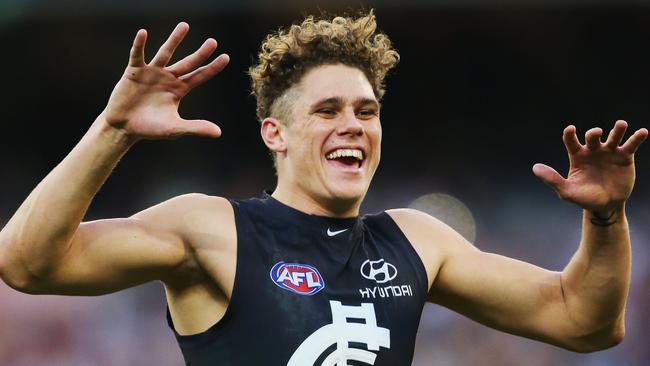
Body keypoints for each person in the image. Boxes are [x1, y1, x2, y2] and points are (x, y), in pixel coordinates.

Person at [0, 10, 647, 366]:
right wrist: (113, 130)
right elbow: (26, 264)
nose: (353, 127)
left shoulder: (417, 240)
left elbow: (583, 323)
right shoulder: (212, 228)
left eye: (366, 112)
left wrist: (608, 218)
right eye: (327, 110)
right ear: (274, 133)